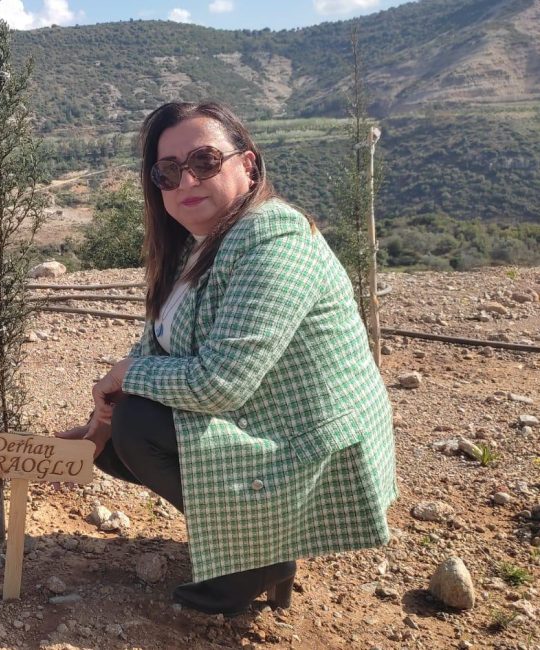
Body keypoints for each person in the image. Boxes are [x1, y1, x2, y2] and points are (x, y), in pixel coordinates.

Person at [58, 101, 396, 616]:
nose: (186, 178)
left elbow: (222, 384)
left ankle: (261, 556)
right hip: (265, 419)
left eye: (205, 160)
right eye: (167, 171)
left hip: (308, 442)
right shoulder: (196, 244)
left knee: (139, 424)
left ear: (249, 165)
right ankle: (251, 538)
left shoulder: (273, 237)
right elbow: (157, 345)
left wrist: (125, 380)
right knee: (112, 440)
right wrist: (96, 423)